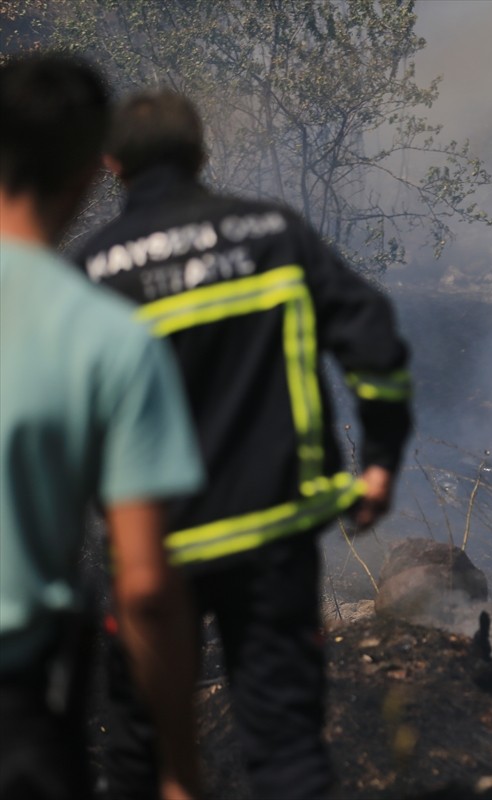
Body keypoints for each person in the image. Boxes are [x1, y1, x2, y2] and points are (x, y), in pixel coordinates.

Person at [74, 89, 413, 799]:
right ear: (201, 153)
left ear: (112, 165)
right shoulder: (271, 232)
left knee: (139, 748)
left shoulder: (92, 270)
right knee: (285, 742)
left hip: (151, 549)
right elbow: (375, 346)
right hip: (273, 533)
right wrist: (380, 461)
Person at [0, 55, 205, 800]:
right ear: (95, 171)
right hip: (24, 694)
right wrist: (179, 768)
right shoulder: (108, 336)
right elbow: (146, 585)